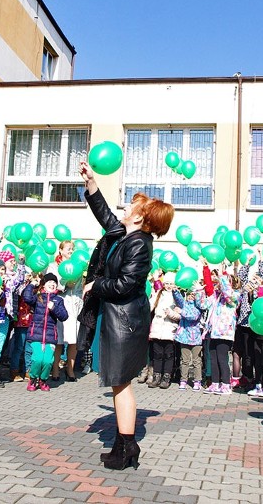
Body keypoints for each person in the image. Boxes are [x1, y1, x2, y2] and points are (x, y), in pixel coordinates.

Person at [79, 161, 174, 471]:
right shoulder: (124, 234)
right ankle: (123, 443)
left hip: (126, 320)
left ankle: (127, 445)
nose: (125, 208)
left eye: (131, 206)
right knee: (119, 384)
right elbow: (105, 215)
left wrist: (95, 284)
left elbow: (125, 284)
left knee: (121, 384)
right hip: (118, 317)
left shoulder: (139, 245)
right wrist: (92, 183)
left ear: (140, 217)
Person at [22, 272, 69, 391]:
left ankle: (43, 380)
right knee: (37, 359)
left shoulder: (58, 300)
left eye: (54, 283)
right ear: (44, 285)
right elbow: (26, 297)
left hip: (50, 336)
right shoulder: (38, 297)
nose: (52, 284)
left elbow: (64, 316)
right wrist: (32, 284)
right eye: (49, 282)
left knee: (48, 361)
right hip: (36, 334)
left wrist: (54, 308)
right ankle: (33, 379)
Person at [202, 263, 240, 396]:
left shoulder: (235, 296)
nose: (219, 283)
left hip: (225, 333)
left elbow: (228, 294)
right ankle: (215, 383)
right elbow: (204, 303)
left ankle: (226, 385)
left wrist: (222, 276)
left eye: (224, 282)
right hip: (213, 332)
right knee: (213, 358)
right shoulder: (216, 297)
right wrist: (205, 270)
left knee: (222, 358)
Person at [50, 241, 82, 382]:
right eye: (69, 249)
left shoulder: (78, 266)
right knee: (59, 340)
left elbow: (81, 286)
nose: (71, 251)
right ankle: (55, 369)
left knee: (73, 340)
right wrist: (64, 285)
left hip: (75, 306)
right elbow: (50, 284)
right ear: (61, 250)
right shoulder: (54, 266)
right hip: (61, 305)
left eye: (73, 249)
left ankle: (70, 369)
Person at [147, 272, 179, 389]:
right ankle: (156, 376)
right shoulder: (159, 294)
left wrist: (170, 313)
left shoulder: (177, 295)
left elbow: (180, 314)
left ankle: (166, 377)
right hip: (157, 328)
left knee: (168, 355)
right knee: (157, 354)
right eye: (167, 283)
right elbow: (150, 307)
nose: (169, 286)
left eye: (171, 283)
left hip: (170, 329)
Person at [173, 280, 207, 391]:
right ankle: (183, 380)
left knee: (197, 361)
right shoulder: (184, 304)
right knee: (185, 360)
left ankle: (197, 381)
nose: (191, 297)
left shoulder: (198, 307)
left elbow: (193, 317)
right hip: (184, 337)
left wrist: (181, 312)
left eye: (193, 295)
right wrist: (175, 291)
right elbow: (178, 299)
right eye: (189, 294)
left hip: (196, 338)